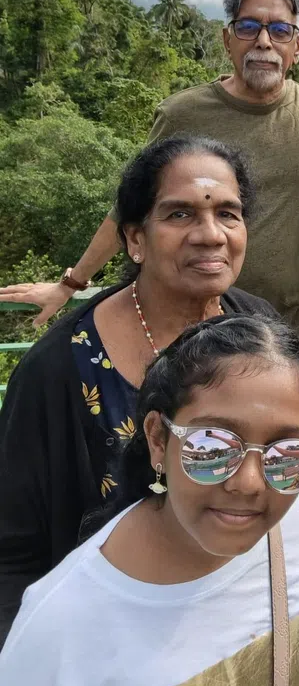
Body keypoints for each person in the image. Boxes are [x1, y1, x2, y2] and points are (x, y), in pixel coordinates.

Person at [0, 135, 277, 645]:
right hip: (100, 633)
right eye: (179, 215)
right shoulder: (59, 368)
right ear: (135, 238)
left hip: (238, 613)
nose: (210, 235)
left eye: (229, 214)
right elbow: (12, 549)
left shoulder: (257, 328)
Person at [0, 313, 299, 686]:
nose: (250, 482)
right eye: (211, 446)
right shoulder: (58, 626)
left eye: (287, 452)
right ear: (158, 439)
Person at [0, 0, 299, 337]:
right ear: (227, 40)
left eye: (280, 30)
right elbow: (131, 206)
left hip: (287, 329)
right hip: (191, 332)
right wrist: (71, 283)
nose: (264, 42)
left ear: (297, 47)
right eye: (248, 27)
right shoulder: (183, 113)